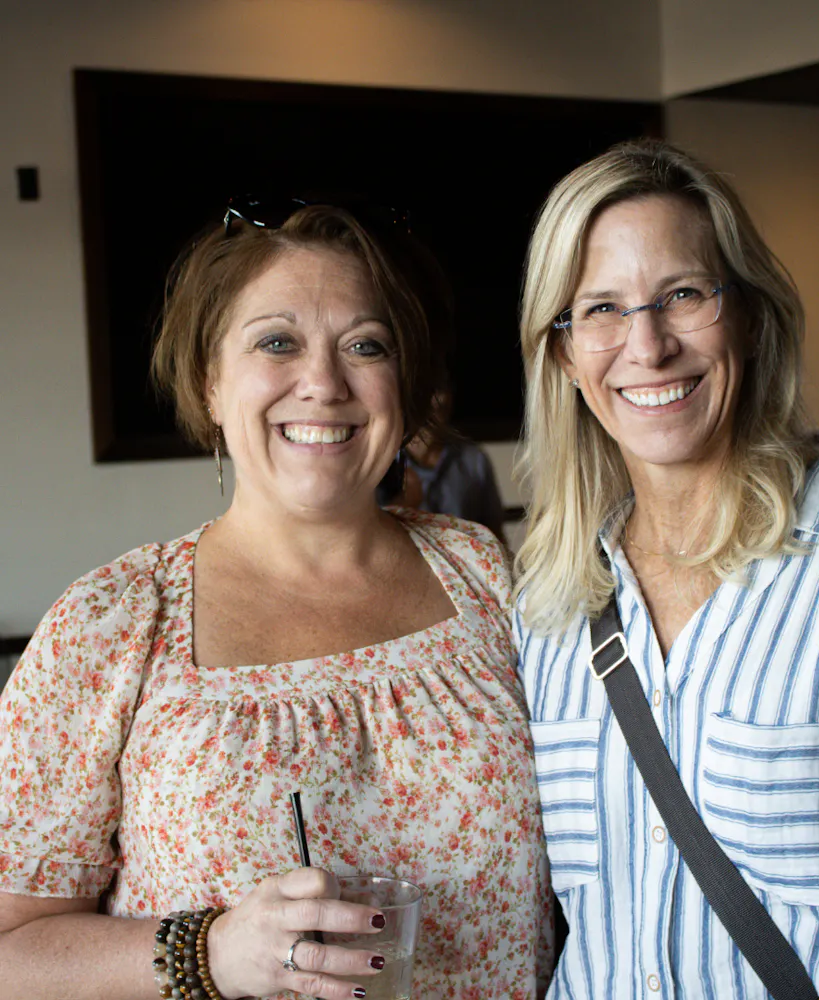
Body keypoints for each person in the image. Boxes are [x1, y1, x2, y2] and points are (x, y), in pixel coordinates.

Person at [0, 200, 552, 1000]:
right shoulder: (111, 624)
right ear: (210, 385)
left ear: (405, 386)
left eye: (366, 346)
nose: (324, 384)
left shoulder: (486, 579)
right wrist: (211, 952)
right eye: (277, 343)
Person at [513, 139, 819, 999]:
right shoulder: (548, 600)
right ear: (562, 355)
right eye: (601, 309)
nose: (648, 345)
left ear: (750, 316)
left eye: (683, 295)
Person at [380, 387, 507, 542]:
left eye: (442, 388)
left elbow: (495, 534)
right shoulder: (381, 463)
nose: (438, 399)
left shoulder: (474, 460)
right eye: (428, 388)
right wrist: (402, 505)